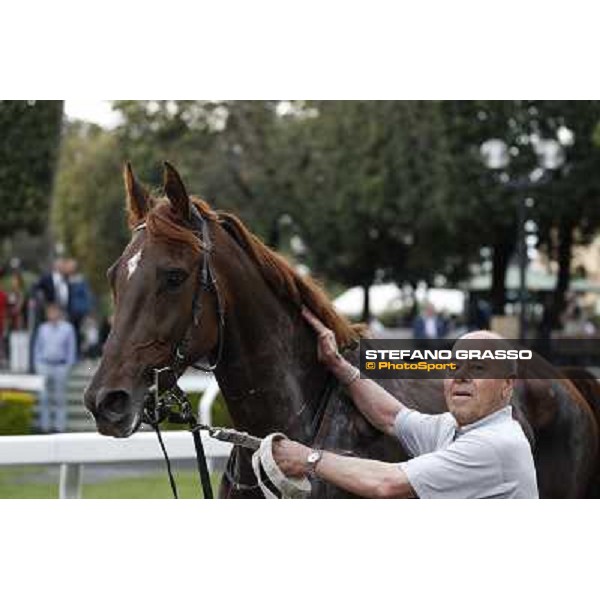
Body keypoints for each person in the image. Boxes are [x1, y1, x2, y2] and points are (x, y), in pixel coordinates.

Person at [272, 307, 538, 499]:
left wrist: (307, 458)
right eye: (454, 366)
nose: (460, 376)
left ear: (507, 385)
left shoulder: (495, 445)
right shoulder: (453, 427)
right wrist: (339, 366)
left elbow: (386, 483)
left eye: (478, 368)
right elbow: (392, 416)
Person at [33, 304, 77, 433]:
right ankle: (45, 427)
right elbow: (37, 347)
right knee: (44, 398)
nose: (52, 315)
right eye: (50, 312)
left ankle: (59, 427)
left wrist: (68, 366)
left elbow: (71, 349)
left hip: (60, 366)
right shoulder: (42, 328)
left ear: (59, 313)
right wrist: (37, 364)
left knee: (60, 398)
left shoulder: (67, 328)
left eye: (54, 312)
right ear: (47, 314)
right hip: (44, 365)